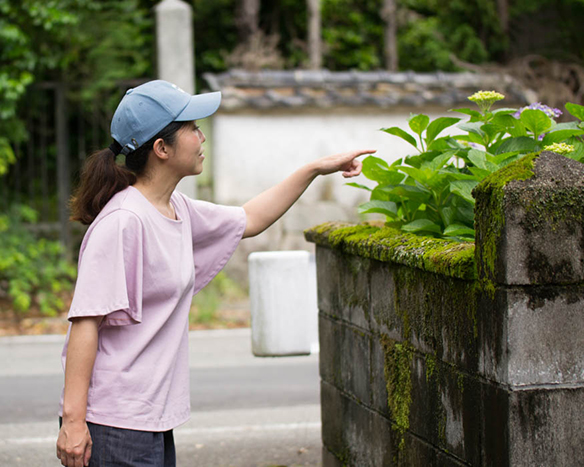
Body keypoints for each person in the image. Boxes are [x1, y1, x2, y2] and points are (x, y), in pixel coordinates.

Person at [55, 79, 375, 467]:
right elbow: (85, 323)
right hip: (114, 424)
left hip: (149, 419)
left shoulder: (176, 208)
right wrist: (73, 422)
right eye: (192, 127)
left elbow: (250, 218)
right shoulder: (123, 222)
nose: (201, 136)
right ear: (162, 148)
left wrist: (314, 169)